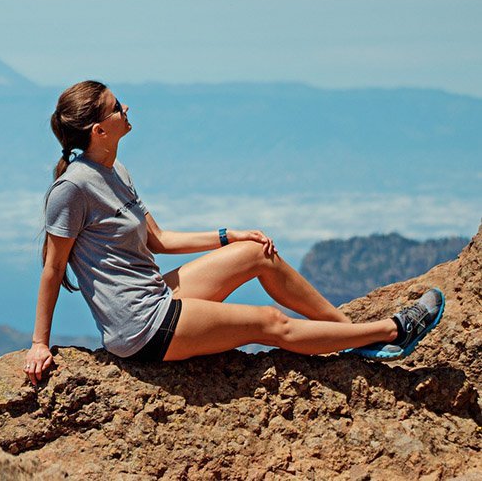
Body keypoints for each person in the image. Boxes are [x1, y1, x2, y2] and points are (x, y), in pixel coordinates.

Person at [23, 80, 445, 386]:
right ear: (99, 130)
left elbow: (160, 241)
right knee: (268, 322)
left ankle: (355, 335)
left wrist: (233, 235)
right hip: (140, 328)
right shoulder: (73, 187)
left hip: (157, 297)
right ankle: (392, 330)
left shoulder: (116, 171)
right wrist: (40, 343)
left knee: (257, 254)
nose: (126, 108)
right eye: (117, 107)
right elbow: (52, 269)